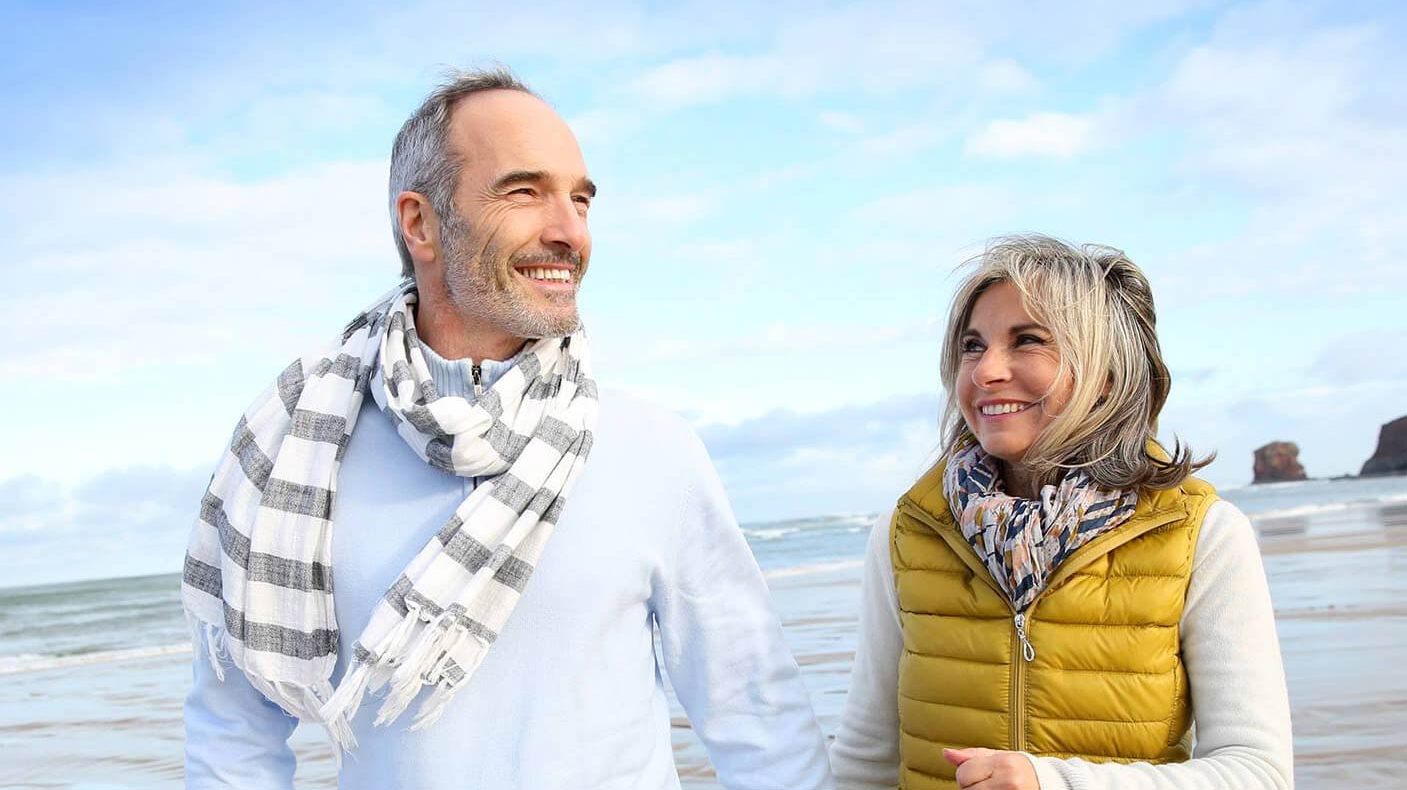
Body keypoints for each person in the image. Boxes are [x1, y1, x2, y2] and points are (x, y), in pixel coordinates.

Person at [181, 67, 834, 790]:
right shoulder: (300, 446)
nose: (569, 232)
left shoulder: (651, 448)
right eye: (524, 192)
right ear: (420, 222)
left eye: (579, 199)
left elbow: (759, 720)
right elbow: (234, 732)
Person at [829, 235, 1293, 789]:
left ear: (1106, 373)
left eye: (1027, 341)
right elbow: (864, 760)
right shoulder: (907, 533)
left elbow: (1257, 772)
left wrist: (1055, 783)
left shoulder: (1203, 535)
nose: (985, 371)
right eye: (973, 346)